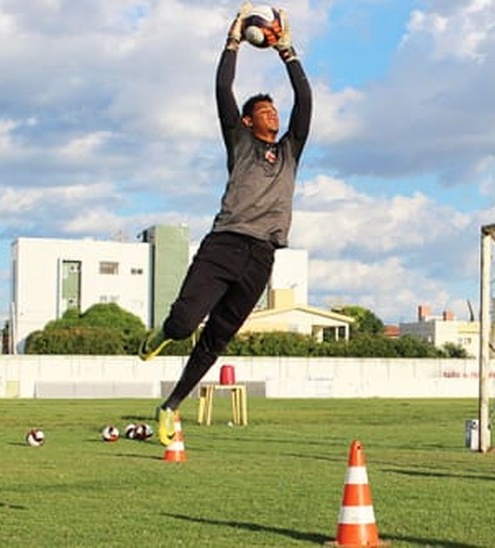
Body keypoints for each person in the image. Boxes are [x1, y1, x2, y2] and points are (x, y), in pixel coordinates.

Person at [138, 2, 312, 446]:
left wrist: (287, 51)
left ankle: (170, 406)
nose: (273, 114)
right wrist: (233, 40)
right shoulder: (238, 141)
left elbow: (305, 101)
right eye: (264, 111)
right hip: (225, 245)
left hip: (263, 256)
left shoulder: (291, 150)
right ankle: (164, 332)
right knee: (182, 326)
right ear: (248, 121)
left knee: (217, 338)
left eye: (275, 110)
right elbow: (222, 86)